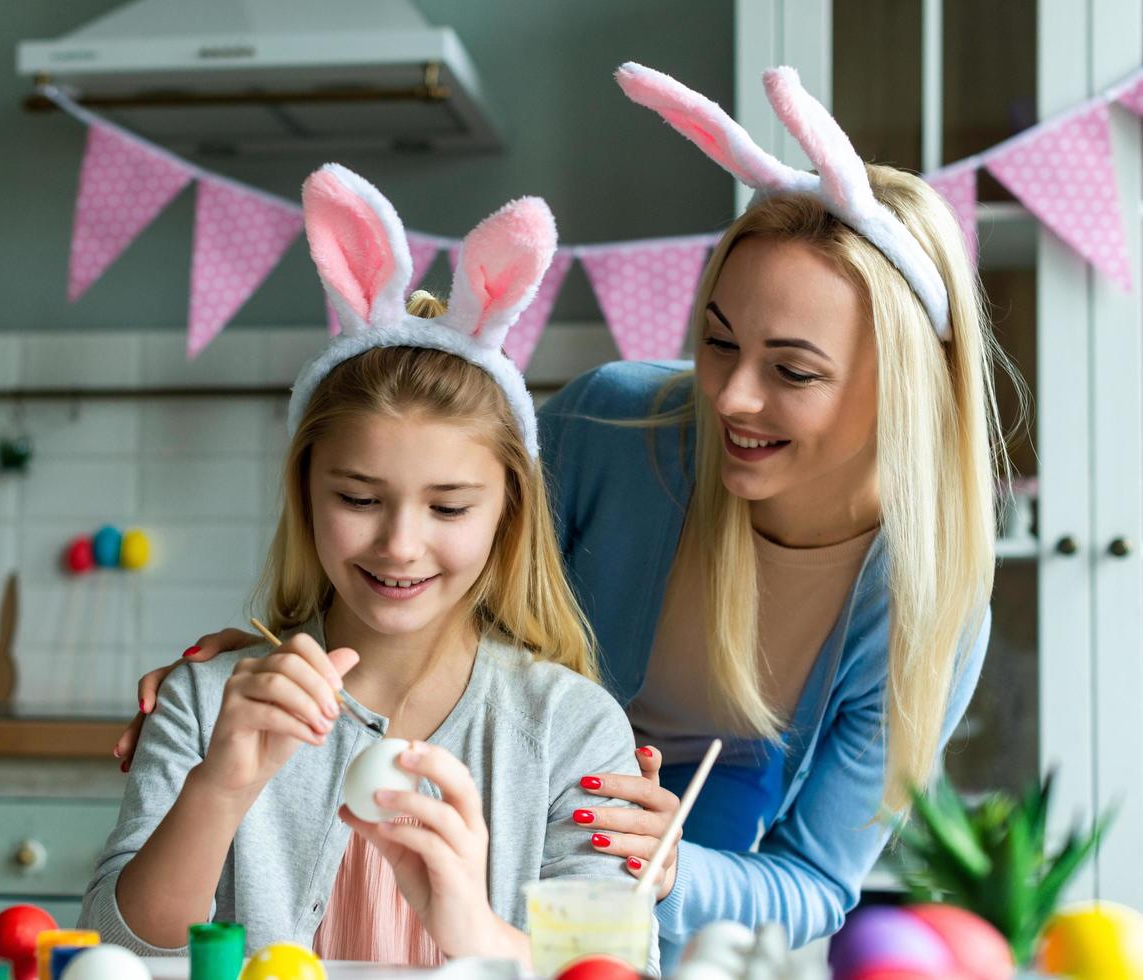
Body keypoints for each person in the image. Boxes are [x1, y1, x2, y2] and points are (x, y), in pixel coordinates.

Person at [114, 66, 1010, 961]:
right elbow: (437, 548)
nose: (730, 396)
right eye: (716, 342)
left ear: (904, 380)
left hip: (672, 830)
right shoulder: (612, 425)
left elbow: (813, 879)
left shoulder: (922, 597)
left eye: (794, 371)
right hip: (519, 774)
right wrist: (284, 644)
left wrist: (661, 871)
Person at [81, 163, 649, 968]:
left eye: (449, 508)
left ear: (507, 515)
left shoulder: (569, 729)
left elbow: (618, 968)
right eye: (357, 498)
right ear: (305, 494)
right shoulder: (212, 701)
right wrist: (220, 786)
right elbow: (115, 955)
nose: (399, 545)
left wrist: (470, 926)